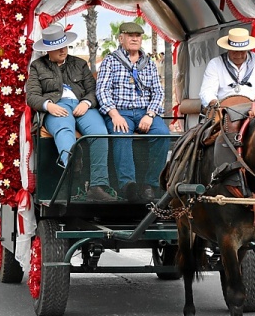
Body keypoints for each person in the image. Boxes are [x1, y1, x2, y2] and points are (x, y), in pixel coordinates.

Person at [26, 24, 115, 202]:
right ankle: (72, 178)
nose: (62, 51)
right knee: (64, 130)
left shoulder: (79, 64)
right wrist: (48, 105)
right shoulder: (37, 66)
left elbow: (93, 90)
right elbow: (32, 96)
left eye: (64, 46)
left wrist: (87, 102)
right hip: (56, 105)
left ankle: (98, 185)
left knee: (100, 133)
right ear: (48, 50)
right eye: (57, 48)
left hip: (81, 105)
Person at [97, 21, 169, 203]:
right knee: (120, 133)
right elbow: (102, 90)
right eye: (130, 36)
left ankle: (151, 184)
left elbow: (158, 92)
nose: (135, 39)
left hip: (145, 111)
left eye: (138, 36)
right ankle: (127, 184)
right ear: (121, 38)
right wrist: (114, 114)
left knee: (163, 134)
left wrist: (151, 114)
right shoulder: (111, 61)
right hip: (121, 111)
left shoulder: (149, 63)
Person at [199, 27, 255, 108]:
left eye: (242, 51)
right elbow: (207, 91)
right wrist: (213, 101)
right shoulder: (215, 64)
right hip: (225, 109)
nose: (238, 55)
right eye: (234, 51)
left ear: (247, 49)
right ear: (228, 49)